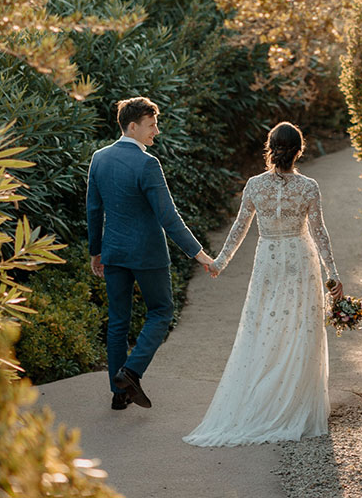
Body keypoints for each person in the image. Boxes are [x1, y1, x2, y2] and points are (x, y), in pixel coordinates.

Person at [184, 121, 344, 447]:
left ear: (270, 149)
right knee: (300, 328)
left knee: (265, 327)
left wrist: (220, 263)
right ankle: (295, 405)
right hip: (300, 260)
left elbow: (239, 228)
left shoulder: (255, 185)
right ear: (299, 151)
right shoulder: (309, 187)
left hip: (268, 262)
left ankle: (264, 400)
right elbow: (319, 233)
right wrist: (333, 274)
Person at [87, 96, 215, 410]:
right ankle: (130, 372)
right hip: (147, 254)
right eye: (151, 125)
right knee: (161, 311)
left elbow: (93, 210)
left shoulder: (99, 159)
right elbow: (168, 216)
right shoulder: (147, 163)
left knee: (118, 322)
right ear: (132, 126)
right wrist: (198, 253)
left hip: (114, 252)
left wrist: (96, 251)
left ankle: (119, 394)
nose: (156, 131)